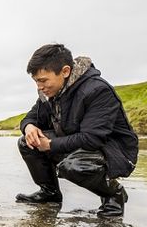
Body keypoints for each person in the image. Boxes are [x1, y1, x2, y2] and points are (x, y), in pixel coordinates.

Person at [16, 44, 139, 217]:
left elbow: (92, 139)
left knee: (74, 166)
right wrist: (28, 127)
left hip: (114, 152)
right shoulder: (49, 93)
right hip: (77, 143)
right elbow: (30, 118)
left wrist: (50, 144)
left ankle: (113, 194)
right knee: (26, 142)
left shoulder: (97, 90)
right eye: (36, 81)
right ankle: (50, 193)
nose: (39, 87)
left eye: (43, 80)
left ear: (65, 71)